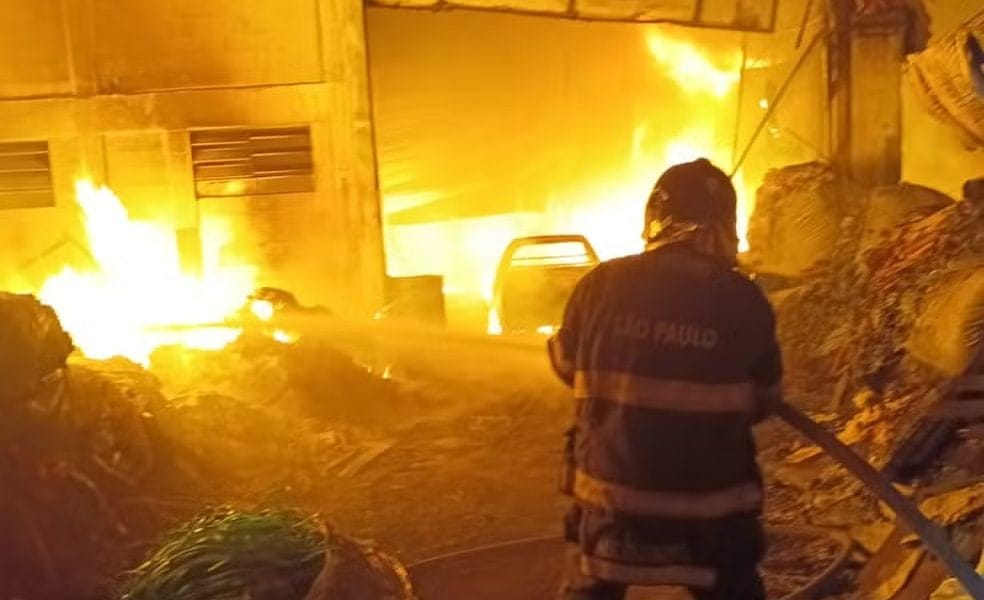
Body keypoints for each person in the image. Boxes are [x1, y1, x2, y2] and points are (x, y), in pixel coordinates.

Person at [548, 158, 783, 600]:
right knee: (734, 586)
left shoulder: (598, 286)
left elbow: (566, 365)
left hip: (611, 508)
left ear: (653, 220)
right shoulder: (744, 300)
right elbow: (765, 399)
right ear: (723, 228)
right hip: (710, 520)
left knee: (588, 583)